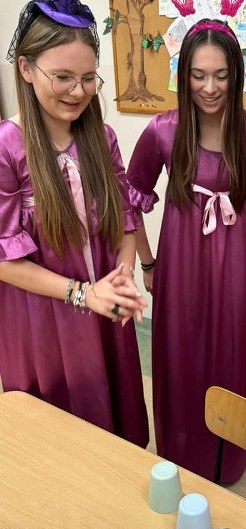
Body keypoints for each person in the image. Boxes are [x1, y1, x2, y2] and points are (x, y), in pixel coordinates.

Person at [0, 0, 149, 448]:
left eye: (88, 78)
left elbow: (125, 221)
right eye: (63, 77)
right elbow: (5, 260)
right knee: (63, 439)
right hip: (41, 318)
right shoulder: (8, 148)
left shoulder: (101, 137)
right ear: (26, 68)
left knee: (116, 425)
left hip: (104, 305)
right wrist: (83, 293)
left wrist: (121, 275)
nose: (78, 91)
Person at [127, 19, 246, 482]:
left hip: (239, 264)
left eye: (221, 75)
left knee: (230, 356)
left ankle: (227, 456)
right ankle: (181, 450)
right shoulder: (163, 131)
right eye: (199, 75)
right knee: (180, 352)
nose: (209, 87)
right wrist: (148, 263)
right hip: (181, 262)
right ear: (183, 74)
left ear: (236, 76)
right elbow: (131, 200)